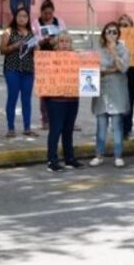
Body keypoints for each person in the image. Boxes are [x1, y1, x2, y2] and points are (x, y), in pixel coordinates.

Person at [90, 22, 130, 168]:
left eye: (114, 32)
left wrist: (114, 53)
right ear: (104, 34)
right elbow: (95, 68)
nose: (111, 35)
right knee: (101, 126)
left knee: (117, 126)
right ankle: (99, 155)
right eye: (108, 32)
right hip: (101, 92)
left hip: (117, 92)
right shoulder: (98, 49)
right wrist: (111, 69)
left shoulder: (123, 49)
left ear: (118, 34)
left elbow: (123, 68)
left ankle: (118, 155)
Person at [46, 33, 83, 172]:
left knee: (68, 129)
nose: (65, 44)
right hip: (55, 100)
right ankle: (52, 160)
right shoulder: (49, 59)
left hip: (72, 98)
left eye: (67, 41)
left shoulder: (77, 58)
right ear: (56, 44)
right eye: (61, 41)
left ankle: (69, 159)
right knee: (56, 130)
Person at [0, 6, 37, 138]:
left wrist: (36, 47)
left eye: (25, 16)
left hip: (28, 70)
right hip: (12, 69)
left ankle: (27, 128)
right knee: (12, 97)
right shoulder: (9, 32)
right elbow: (2, 50)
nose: (22, 19)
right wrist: (14, 46)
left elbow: (35, 53)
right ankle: (11, 128)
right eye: (20, 16)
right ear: (15, 17)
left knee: (26, 99)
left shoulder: (31, 33)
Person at [34, 0, 65, 130]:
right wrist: (43, 40)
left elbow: (65, 36)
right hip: (44, 59)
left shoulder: (59, 22)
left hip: (58, 58)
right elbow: (34, 41)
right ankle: (45, 119)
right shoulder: (36, 23)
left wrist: (57, 39)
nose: (47, 16)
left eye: (50, 13)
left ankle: (57, 117)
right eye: (45, 13)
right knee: (45, 90)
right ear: (41, 12)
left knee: (58, 90)